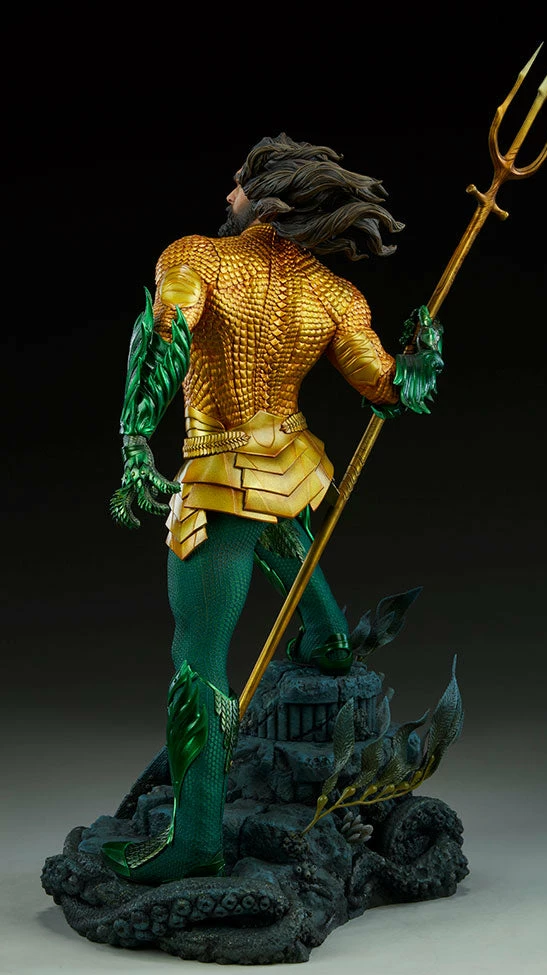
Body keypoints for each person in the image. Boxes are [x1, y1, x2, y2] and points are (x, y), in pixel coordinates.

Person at [101, 133, 444, 884]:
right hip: (290, 461)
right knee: (286, 533)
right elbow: (386, 388)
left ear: (268, 201)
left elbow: (165, 341)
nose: (226, 195)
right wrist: (421, 356)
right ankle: (328, 640)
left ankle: (195, 838)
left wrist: (133, 439)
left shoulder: (196, 257)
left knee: (197, 659)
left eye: (237, 184)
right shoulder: (335, 295)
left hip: (220, 472)